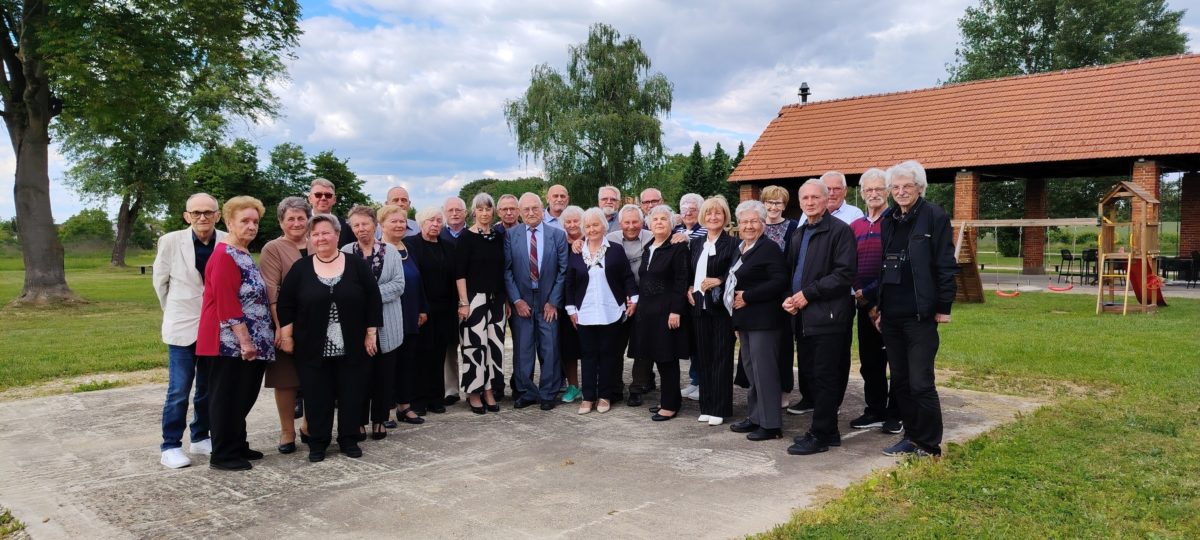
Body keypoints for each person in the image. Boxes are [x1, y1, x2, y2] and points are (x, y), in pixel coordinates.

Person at [277, 214, 383, 462]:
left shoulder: (356, 264)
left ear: (337, 235)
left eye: (326, 233)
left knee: (351, 392)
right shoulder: (301, 268)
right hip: (312, 346)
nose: (320, 238)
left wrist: (371, 334)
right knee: (316, 395)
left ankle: (349, 439)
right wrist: (287, 336)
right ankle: (318, 442)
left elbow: (373, 299)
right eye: (315, 234)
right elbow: (286, 304)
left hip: (352, 344)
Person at [876, 160, 958, 458]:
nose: (901, 191)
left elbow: (945, 263)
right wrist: (881, 308)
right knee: (900, 381)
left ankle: (929, 444)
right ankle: (911, 437)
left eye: (907, 186)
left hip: (920, 314)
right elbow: (885, 267)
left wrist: (944, 306)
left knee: (921, 382)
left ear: (919, 188)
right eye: (895, 187)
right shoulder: (888, 219)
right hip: (892, 315)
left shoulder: (934, 216)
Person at [195, 196, 275, 471]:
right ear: (229, 223)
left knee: (241, 396)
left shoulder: (242, 252)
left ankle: (237, 444)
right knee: (228, 398)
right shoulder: (224, 255)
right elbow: (227, 302)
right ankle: (223, 454)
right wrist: (245, 341)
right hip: (229, 344)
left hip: (248, 341)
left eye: (255, 221)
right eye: (245, 221)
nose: (251, 226)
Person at [782, 180, 858, 456]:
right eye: (805, 198)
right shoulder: (799, 233)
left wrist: (807, 294)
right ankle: (830, 431)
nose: (810, 202)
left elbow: (844, 274)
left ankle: (820, 435)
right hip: (803, 316)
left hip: (829, 316)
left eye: (816, 197)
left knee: (826, 377)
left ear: (827, 200)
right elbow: (791, 272)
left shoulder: (840, 231)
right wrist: (790, 298)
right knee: (812, 376)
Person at [153, 192, 226, 469]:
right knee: (179, 390)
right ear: (187, 216)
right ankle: (170, 445)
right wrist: (174, 311)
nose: (202, 217)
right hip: (182, 326)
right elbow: (160, 284)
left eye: (208, 212)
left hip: (215, 328)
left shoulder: (227, 240)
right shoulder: (170, 241)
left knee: (207, 388)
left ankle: (200, 436)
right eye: (196, 213)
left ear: (218, 215)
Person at [565, 207, 638, 414]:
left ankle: (605, 396)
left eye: (595, 225)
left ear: (604, 226)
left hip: (611, 310)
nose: (592, 229)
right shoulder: (577, 251)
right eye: (587, 226)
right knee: (588, 356)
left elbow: (627, 276)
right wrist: (571, 309)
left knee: (608, 355)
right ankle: (588, 397)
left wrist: (633, 299)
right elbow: (569, 283)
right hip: (585, 312)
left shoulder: (615, 249)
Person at [726, 200, 789, 442]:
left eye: (754, 221)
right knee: (752, 372)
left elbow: (779, 281)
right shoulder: (741, 248)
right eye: (744, 222)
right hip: (745, 321)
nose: (749, 226)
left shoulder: (769, 248)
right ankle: (755, 417)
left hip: (764, 321)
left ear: (763, 223)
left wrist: (748, 296)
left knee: (765, 373)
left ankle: (771, 425)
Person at [343, 205, 405, 440]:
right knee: (359, 377)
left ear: (375, 225)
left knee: (383, 375)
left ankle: (380, 419)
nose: (361, 229)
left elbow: (398, 285)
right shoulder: (345, 252)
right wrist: (362, 296)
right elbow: (343, 286)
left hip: (387, 323)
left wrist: (368, 294)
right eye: (356, 225)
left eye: (365, 224)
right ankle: (358, 421)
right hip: (356, 326)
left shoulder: (391, 252)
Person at [848, 169, 901, 433]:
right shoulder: (855, 226)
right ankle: (875, 410)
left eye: (879, 189)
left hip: (890, 303)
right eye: (868, 190)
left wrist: (872, 296)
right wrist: (864, 299)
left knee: (897, 361)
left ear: (888, 191)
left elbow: (894, 266)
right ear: (861, 193)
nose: (873, 194)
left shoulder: (896, 222)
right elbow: (849, 264)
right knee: (870, 363)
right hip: (864, 304)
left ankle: (896, 414)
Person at [504, 192, 568, 410]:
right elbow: (507, 270)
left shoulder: (557, 235)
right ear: (520, 213)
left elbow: (563, 270)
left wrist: (554, 301)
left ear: (542, 209)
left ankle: (548, 393)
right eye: (526, 209)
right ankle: (526, 392)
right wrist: (516, 300)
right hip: (522, 298)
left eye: (535, 208)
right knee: (523, 348)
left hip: (548, 299)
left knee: (550, 348)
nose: (531, 213)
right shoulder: (511, 236)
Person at [259, 196, 311, 455]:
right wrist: (282, 327)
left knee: (315, 377)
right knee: (286, 379)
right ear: (281, 222)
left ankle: (309, 426)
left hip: (316, 323)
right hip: (286, 321)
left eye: (301, 218)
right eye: (290, 219)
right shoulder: (273, 248)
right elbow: (272, 292)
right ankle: (287, 431)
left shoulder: (318, 242)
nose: (296, 223)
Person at [633, 205, 689, 421]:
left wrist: (676, 310)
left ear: (671, 224)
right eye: (655, 219)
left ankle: (670, 405)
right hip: (648, 312)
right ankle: (668, 398)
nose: (658, 222)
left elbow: (681, 280)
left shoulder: (677, 247)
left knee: (667, 358)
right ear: (649, 224)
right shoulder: (649, 247)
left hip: (667, 311)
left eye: (663, 219)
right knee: (656, 356)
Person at [686, 196, 737, 426]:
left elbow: (737, 270)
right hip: (698, 307)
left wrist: (720, 280)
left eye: (718, 213)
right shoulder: (696, 243)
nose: (713, 217)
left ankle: (720, 408)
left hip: (720, 309)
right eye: (708, 213)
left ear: (725, 216)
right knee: (704, 358)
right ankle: (706, 406)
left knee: (721, 359)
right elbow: (690, 271)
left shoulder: (733, 243)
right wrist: (689, 287)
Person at [454, 193, 506, 414]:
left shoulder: (498, 236)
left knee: (494, 347)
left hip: (497, 300)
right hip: (473, 299)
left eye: (488, 209)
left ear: (493, 211)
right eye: (480, 209)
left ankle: (489, 391)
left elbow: (502, 271)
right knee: (474, 347)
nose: (484, 213)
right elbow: (459, 273)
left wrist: (505, 301)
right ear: (473, 212)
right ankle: (474, 393)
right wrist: (463, 302)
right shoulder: (465, 237)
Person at [379, 204, 427, 426]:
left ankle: (404, 406)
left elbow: (419, 280)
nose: (399, 225)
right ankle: (386, 409)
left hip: (411, 313)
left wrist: (422, 308)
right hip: (388, 316)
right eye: (394, 221)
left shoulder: (410, 248)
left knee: (408, 362)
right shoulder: (378, 250)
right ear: (382, 225)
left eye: (402, 222)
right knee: (389, 365)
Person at [407, 207, 458, 416]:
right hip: (422, 308)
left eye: (439, 220)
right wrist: (420, 307)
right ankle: (417, 400)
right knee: (420, 355)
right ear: (421, 223)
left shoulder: (448, 246)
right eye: (431, 220)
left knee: (438, 354)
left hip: (444, 309)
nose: (435, 224)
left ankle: (436, 398)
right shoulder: (411, 245)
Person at [761, 185, 805, 412]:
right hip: (760, 294)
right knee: (763, 345)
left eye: (778, 202)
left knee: (784, 344)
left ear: (784, 205)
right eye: (769, 202)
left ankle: (784, 390)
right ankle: (764, 389)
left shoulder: (794, 228)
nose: (773, 206)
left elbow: (796, 260)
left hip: (784, 293)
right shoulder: (756, 225)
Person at [606, 205, 654, 406]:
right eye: (627, 222)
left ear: (642, 222)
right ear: (620, 223)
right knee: (615, 345)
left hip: (646, 298)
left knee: (642, 345)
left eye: (635, 222)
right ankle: (615, 387)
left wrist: (683, 237)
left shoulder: (652, 236)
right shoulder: (610, 239)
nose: (631, 226)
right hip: (618, 299)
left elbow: (676, 239)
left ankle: (638, 387)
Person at [674, 192, 706, 401]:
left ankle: (704, 382)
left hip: (698, 290)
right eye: (684, 209)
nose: (688, 213)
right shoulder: (676, 229)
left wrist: (687, 239)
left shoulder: (704, 231)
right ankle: (695, 380)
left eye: (693, 209)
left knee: (701, 339)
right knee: (691, 340)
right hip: (681, 290)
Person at [439, 196, 467, 405]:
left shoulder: (473, 233)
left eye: (458, 210)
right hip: (446, 299)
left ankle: (474, 387)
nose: (455, 213)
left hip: (471, 298)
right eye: (450, 210)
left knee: (472, 345)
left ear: (465, 213)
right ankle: (451, 390)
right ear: (444, 213)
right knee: (448, 346)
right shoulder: (438, 235)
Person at [557, 205, 586, 403]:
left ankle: (592, 385)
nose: (572, 225)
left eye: (576, 221)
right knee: (568, 348)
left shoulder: (591, 241)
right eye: (568, 222)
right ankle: (573, 386)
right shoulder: (559, 243)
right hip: (565, 303)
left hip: (587, 301)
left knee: (590, 346)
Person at [308, 178, 355, 247]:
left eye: (328, 195)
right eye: (318, 195)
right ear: (310, 199)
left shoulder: (346, 226)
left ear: (334, 200)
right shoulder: (300, 224)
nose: (323, 198)